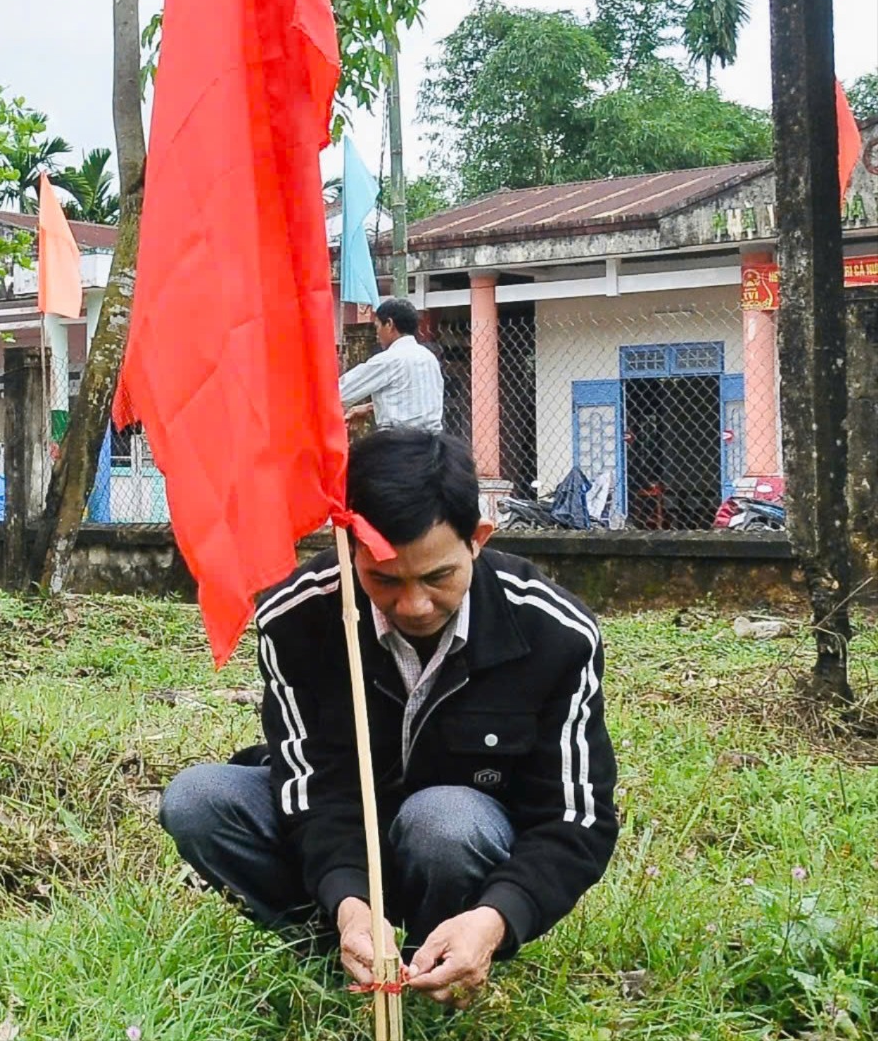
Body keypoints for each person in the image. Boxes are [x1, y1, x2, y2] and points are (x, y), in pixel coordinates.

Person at [158, 429, 616, 1007]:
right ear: (349, 546)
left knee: (444, 820)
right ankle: (337, 953)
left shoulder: (556, 632)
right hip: (341, 844)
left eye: (437, 577)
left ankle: (446, 960)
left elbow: (576, 819)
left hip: (462, 847)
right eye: (384, 579)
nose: (414, 606)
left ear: (478, 539)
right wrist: (349, 904)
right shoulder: (296, 617)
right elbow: (314, 786)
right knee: (198, 800)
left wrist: (499, 917)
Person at [340, 297, 444, 432]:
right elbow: (412, 399)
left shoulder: (388, 360)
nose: (377, 335)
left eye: (377, 327)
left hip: (399, 444)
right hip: (434, 443)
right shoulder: (428, 358)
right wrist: (370, 407)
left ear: (389, 324)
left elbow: (340, 393)